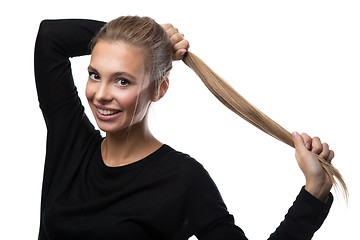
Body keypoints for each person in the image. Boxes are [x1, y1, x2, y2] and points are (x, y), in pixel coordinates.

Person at [34, 16, 334, 240]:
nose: (100, 94)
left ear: (159, 89)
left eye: (122, 80)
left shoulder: (182, 180)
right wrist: (148, 40)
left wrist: (314, 194)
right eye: (95, 75)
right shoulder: (69, 141)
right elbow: (50, 37)